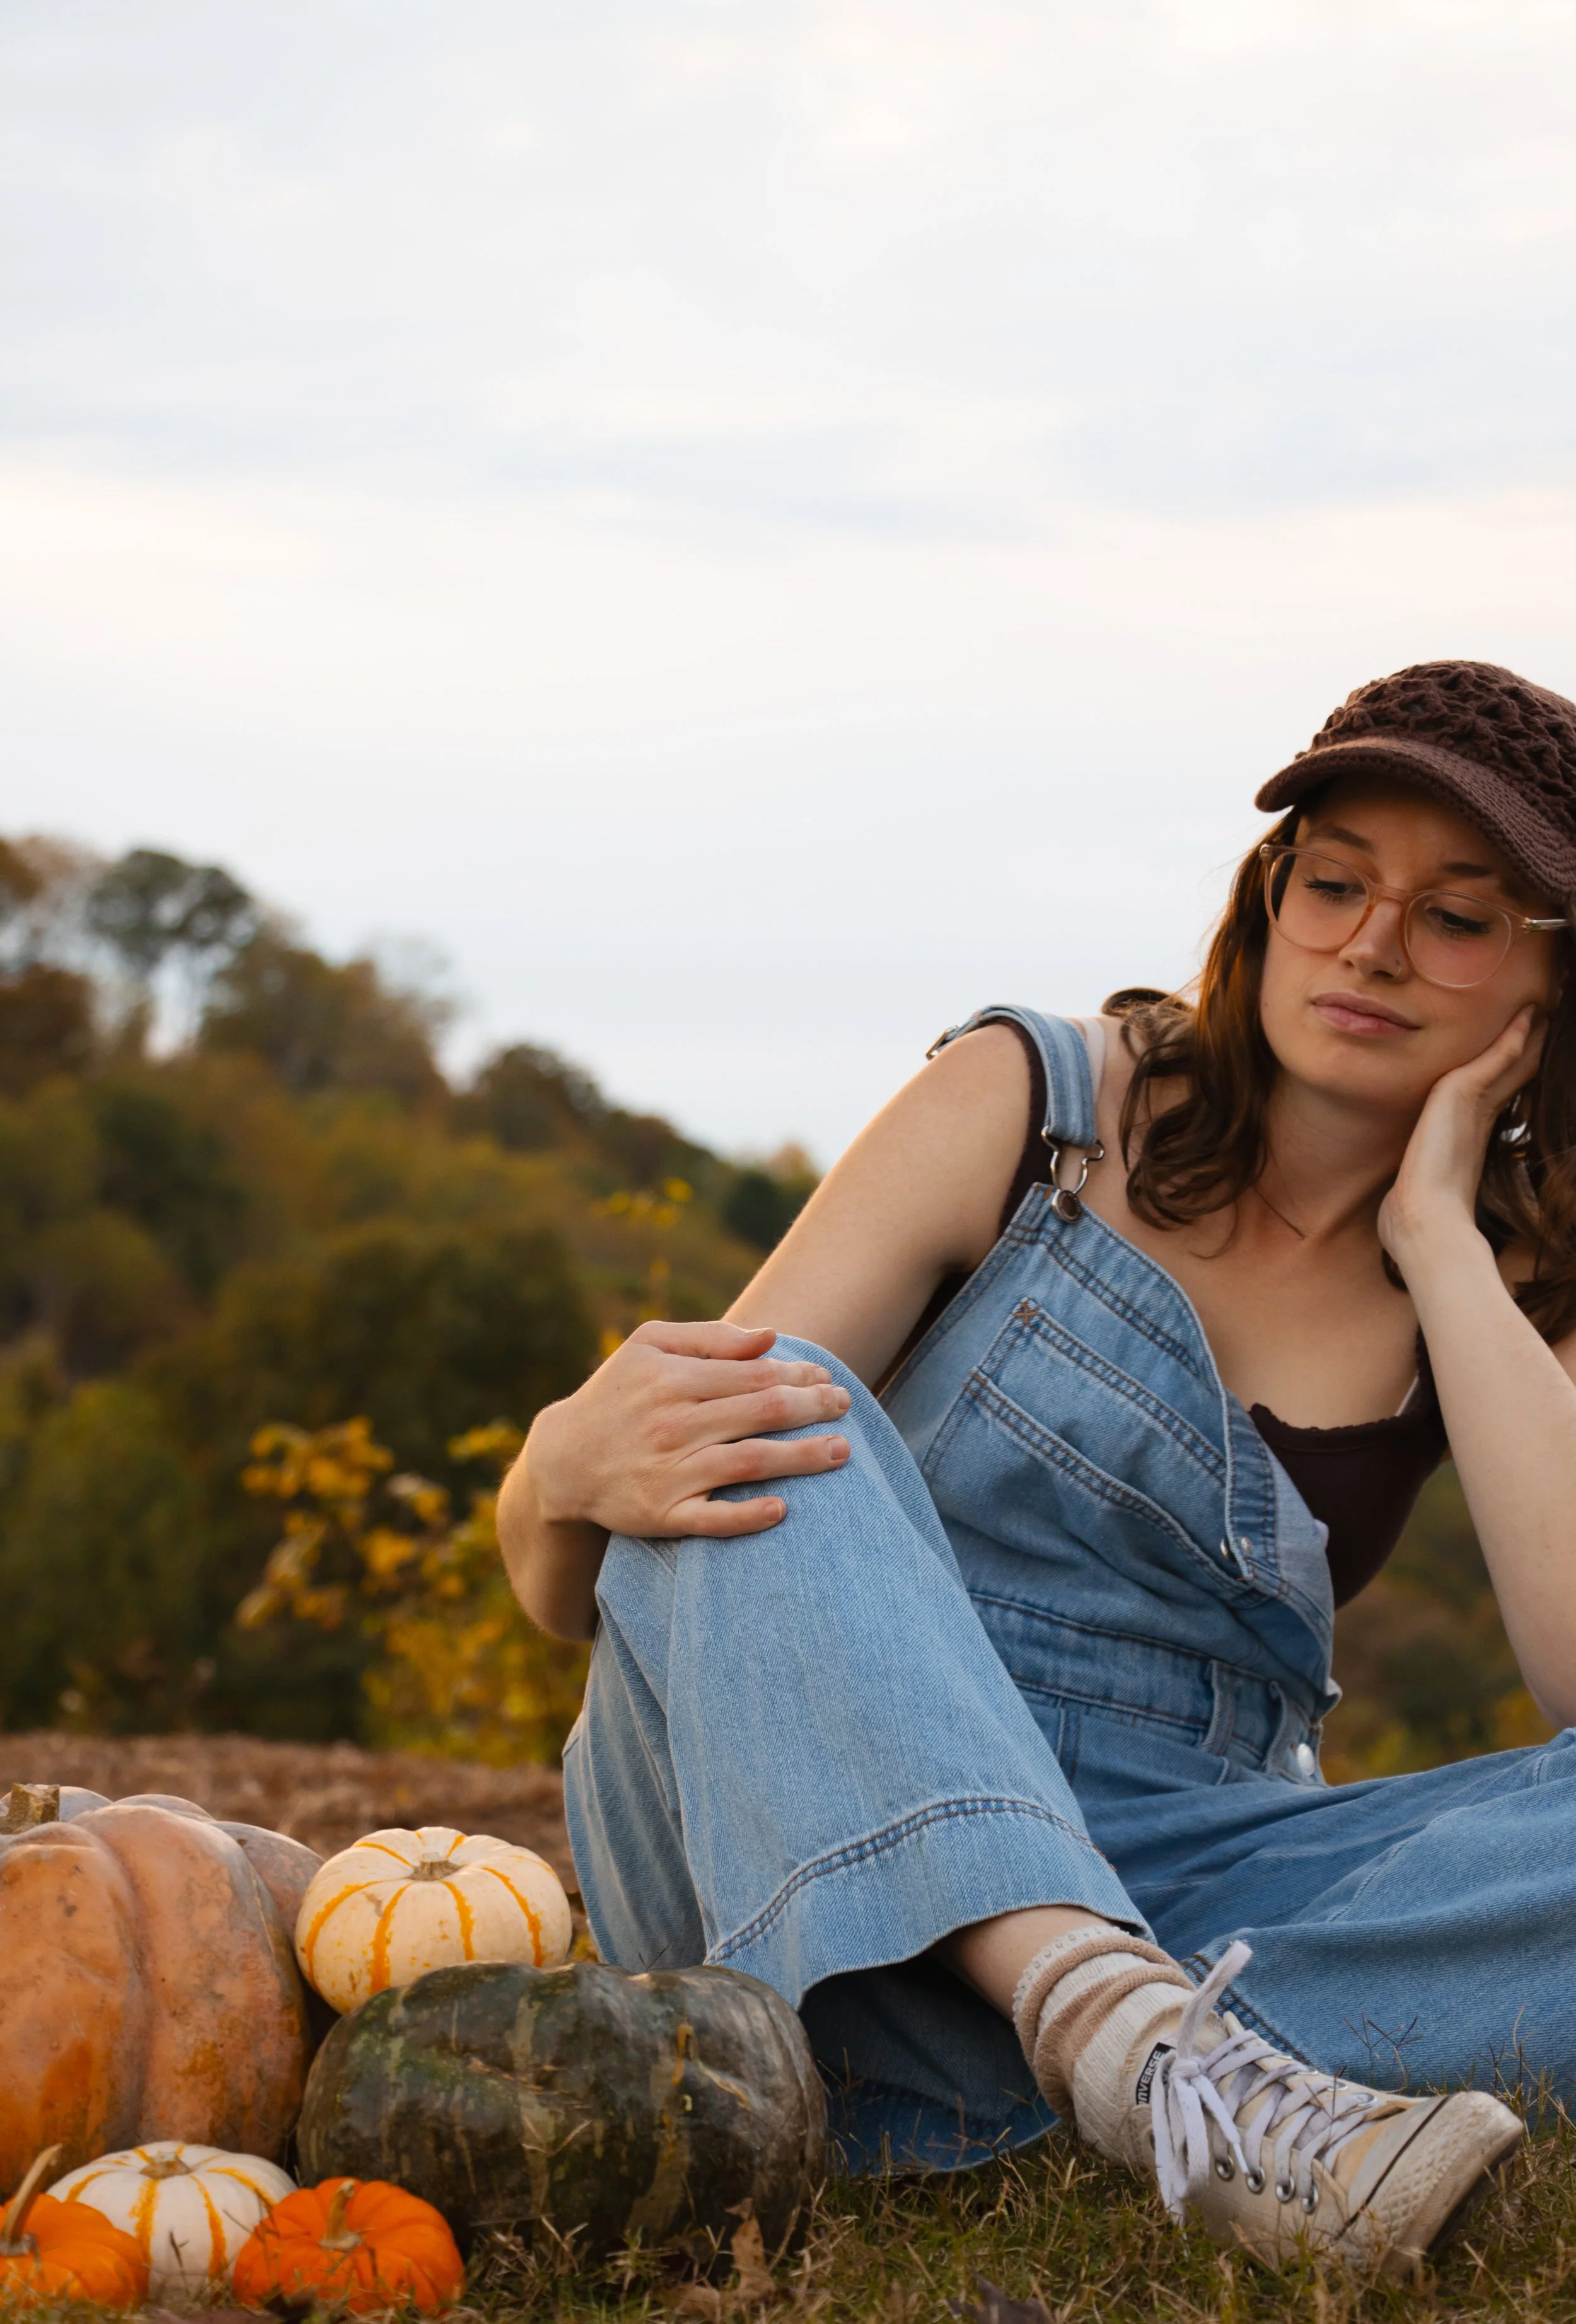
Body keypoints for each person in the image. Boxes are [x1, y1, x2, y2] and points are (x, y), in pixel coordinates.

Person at [497, 659, 1576, 2273]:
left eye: (1458, 917)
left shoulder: (1510, 1277)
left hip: (1191, 1867)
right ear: (1268, 898)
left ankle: (1120, 2070)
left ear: (1545, 989)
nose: (1368, 944)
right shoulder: (1034, 1106)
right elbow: (628, 1556)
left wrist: (1435, 1238)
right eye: (1334, 883)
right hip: (782, 1825)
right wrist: (550, 1473)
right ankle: (1145, 2052)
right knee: (773, 1406)